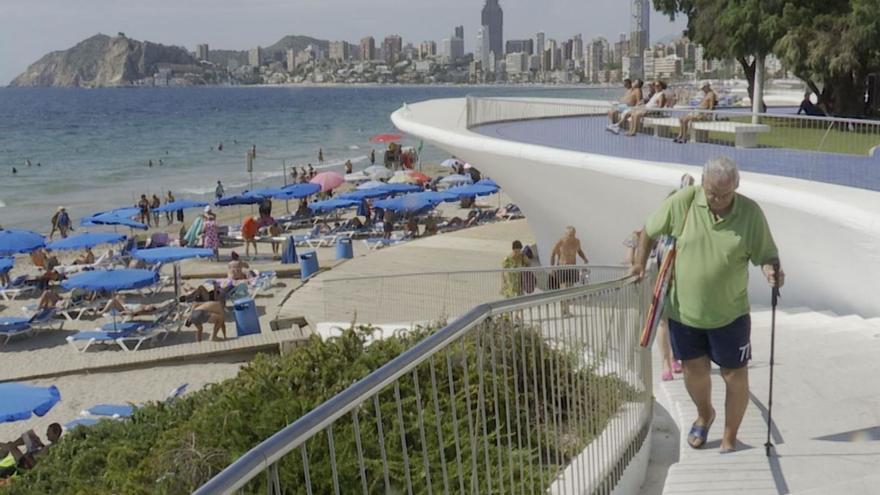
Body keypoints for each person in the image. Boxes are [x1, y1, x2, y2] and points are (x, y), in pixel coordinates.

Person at [629, 157, 783, 453]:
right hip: (685, 313)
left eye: (726, 194)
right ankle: (705, 414)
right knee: (694, 371)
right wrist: (638, 263)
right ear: (703, 184)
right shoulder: (684, 202)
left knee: (734, 375)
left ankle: (730, 435)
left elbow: (767, 254)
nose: (719, 200)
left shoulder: (750, 213)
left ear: (736, 187)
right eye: (713, 193)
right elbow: (649, 229)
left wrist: (771, 270)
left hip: (731, 314)